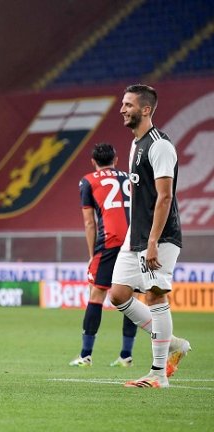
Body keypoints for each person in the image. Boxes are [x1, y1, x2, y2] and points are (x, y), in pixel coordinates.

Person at [110, 84, 190, 388]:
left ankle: (158, 375)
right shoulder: (135, 144)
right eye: (123, 103)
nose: (122, 109)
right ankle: (173, 343)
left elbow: (165, 197)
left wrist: (154, 241)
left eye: (128, 104)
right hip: (137, 234)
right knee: (118, 294)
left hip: (161, 236)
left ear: (145, 109)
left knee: (155, 295)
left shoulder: (160, 146)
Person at [68, 143, 138, 368]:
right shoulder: (131, 178)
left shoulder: (88, 180)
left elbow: (90, 222)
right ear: (116, 159)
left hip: (108, 243)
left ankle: (85, 355)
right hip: (134, 241)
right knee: (131, 298)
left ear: (93, 162)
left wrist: (92, 255)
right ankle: (126, 356)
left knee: (96, 295)